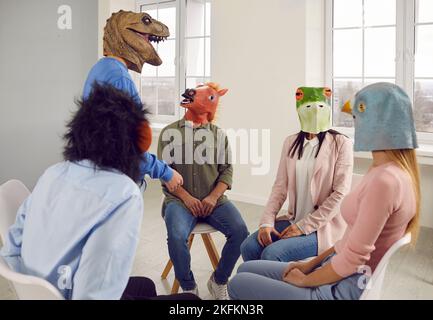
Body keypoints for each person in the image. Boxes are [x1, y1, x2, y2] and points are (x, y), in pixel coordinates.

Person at [0, 84, 195, 300]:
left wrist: (36, 290)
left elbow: (10, 251)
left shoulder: (52, 173)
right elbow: (94, 294)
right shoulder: (124, 194)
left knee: (145, 286)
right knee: (190, 302)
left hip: (41, 291)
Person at [228, 82, 420, 300]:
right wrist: (309, 264)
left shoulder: (384, 180)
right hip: (332, 266)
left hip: (334, 285)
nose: (352, 117)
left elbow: (352, 257)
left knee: (239, 281)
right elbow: (348, 243)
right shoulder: (385, 173)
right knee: (247, 262)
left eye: (360, 112)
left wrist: (306, 278)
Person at [158, 83, 249, 300]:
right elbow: (164, 170)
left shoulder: (219, 135)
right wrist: (187, 198)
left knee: (240, 233)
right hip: (179, 201)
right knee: (177, 236)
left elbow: (227, 170)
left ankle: (218, 281)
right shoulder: (169, 133)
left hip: (214, 200)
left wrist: (213, 196)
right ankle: (188, 287)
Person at [241, 87, 353, 263]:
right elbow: (280, 187)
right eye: (309, 107)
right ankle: (257, 288)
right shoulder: (291, 142)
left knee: (272, 254)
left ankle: (274, 290)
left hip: (324, 227)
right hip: (294, 219)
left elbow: (340, 194)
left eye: (321, 107)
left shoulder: (341, 143)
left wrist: (303, 227)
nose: (315, 112)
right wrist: (266, 222)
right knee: (249, 247)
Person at [83, 10, 182, 192]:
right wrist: (165, 172)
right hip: (120, 181)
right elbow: (128, 146)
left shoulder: (99, 69)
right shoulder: (119, 77)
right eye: (145, 22)